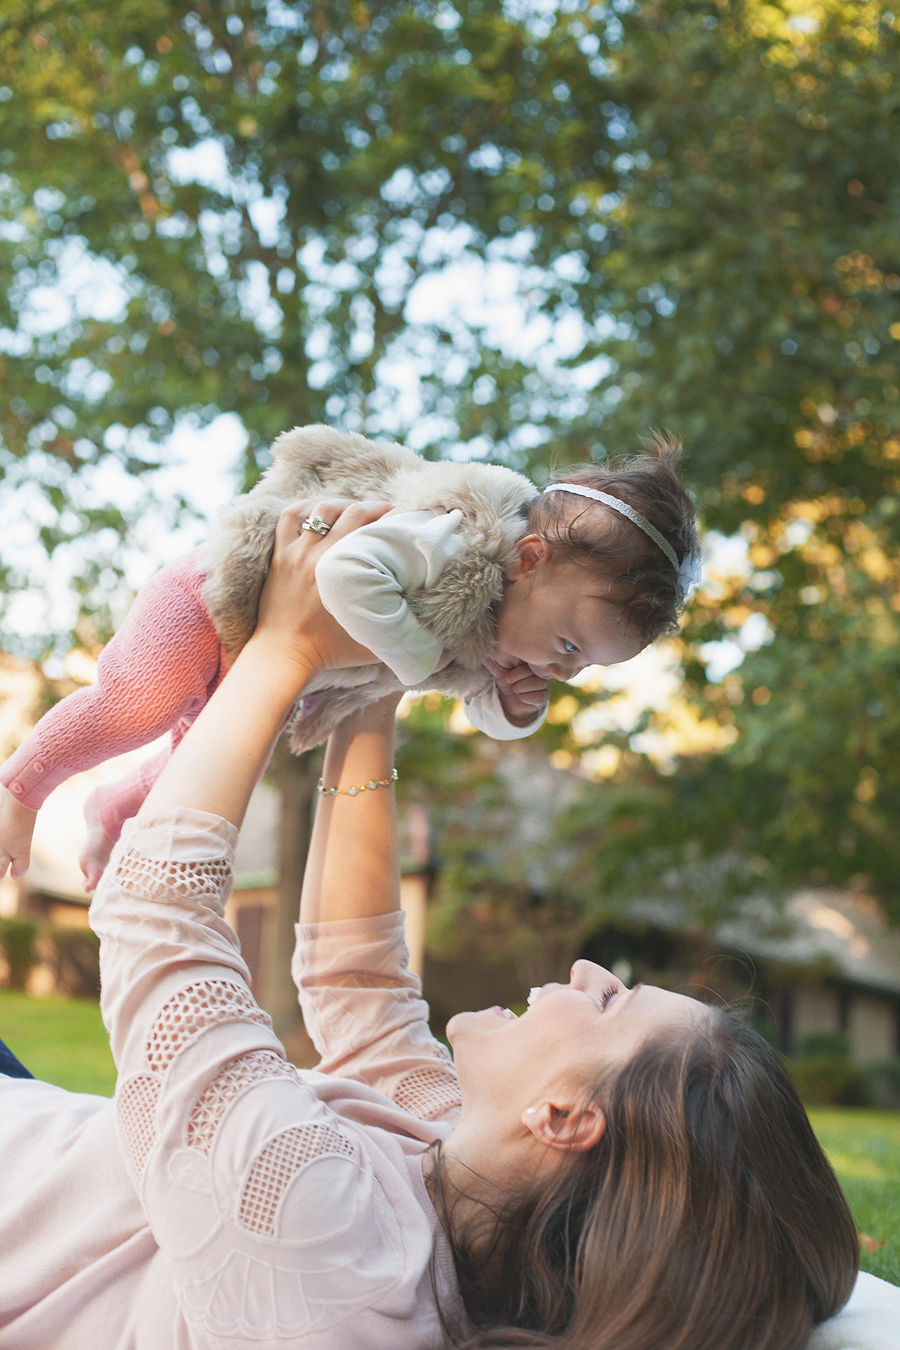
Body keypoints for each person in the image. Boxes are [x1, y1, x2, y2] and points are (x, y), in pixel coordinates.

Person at [0, 498, 886, 1350]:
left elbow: (158, 909)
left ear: (567, 1118)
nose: (588, 973)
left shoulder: (327, 1245)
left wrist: (287, 644)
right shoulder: (460, 1181)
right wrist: (377, 690)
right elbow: (361, 989)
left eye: (613, 1003)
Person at [0, 424, 700, 890]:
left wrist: (513, 709)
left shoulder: (502, 628)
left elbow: (478, 705)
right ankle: (19, 791)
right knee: (136, 708)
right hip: (212, 604)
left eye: (584, 668)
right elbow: (348, 573)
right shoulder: (453, 538)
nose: (564, 671)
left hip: (269, 674)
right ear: (528, 558)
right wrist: (419, 660)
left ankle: (110, 814)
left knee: (194, 771)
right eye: (570, 646)